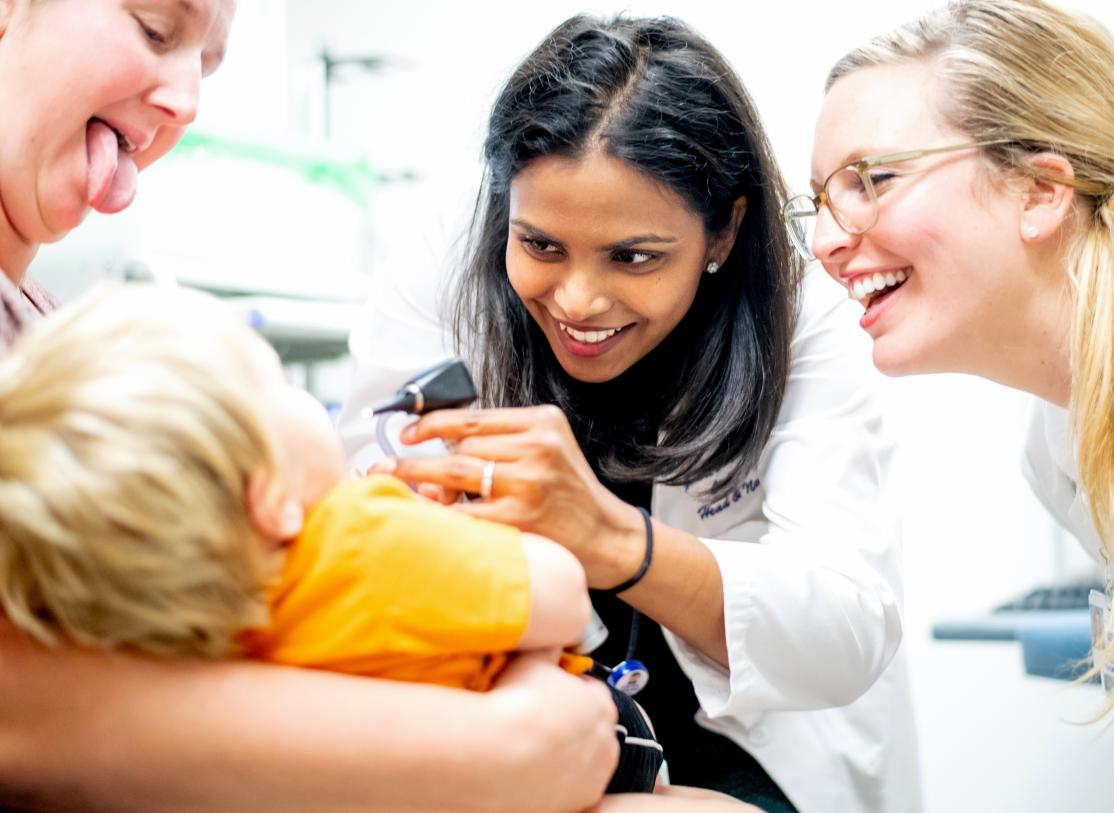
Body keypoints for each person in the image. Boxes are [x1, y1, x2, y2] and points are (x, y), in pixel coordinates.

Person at [0, 2, 629, 811]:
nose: (188, 101)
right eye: (156, 27)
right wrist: (514, 743)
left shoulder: (50, 341)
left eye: (208, 66)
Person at [343, 14, 921, 813]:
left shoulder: (806, 324)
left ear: (723, 230)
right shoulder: (445, 275)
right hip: (531, 700)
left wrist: (611, 539)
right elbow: (371, 503)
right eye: (541, 245)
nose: (577, 300)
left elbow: (841, 630)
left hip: (753, 736)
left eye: (634, 257)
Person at [788, 0, 1114, 800]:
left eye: (870, 180)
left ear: (1040, 191)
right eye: (819, 200)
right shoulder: (1057, 452)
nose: (825, 240)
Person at [0, 282, 669, 796]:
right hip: (602, 741)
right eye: (279, 384)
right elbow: (556, 593)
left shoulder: (188, 623)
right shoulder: (359, 535)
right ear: (269, 496)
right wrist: (462, 536)